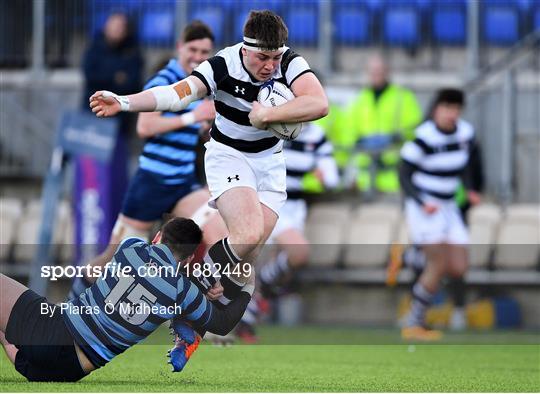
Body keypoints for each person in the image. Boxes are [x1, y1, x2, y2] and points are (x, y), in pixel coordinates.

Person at [89, 10, 328, 307]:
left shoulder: (291, 62)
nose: (269, 66)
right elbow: (175, 94)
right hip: (228, 157)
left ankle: (191, 323)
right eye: (262, 58)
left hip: (269, 162)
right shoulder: (222, 65)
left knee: (243, 269)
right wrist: (124, 102)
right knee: (244, 233)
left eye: (275, 57)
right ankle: (185, 285)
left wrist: (268, 114)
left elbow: (318, 103)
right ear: (245, 49)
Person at [70, 21, 221, 298]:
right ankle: (72, 305)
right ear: (179, 47)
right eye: (193, 49)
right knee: (112, 261)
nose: (199, 57)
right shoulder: (164, 81)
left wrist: (205, 130)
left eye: (205, 52)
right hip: (151, 183)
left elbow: (193, 130)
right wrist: (193, 117)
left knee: (215, 229)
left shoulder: (201, 87)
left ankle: (202, 312)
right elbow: (145, 127)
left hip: (182, 183)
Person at [0, 217, 254, 382]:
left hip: (54, 333)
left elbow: (95, 272)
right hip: (69, 370)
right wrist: (246, 290)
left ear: (158, 238)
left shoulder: (131, 247)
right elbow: (221, 323)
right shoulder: (183, 291)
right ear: (188, 260)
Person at [237, 121, 339, 342]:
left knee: (279, 268)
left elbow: (331, 176)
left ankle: (246, 319)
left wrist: (325, 177)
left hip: (295, 207)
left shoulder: (316, 135)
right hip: (268, 200)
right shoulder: (276, 123)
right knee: (298, 253)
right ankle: (252, 297)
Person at [398, 88, 481, 341]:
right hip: (425, 207)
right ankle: (414, 323)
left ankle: (413, 256)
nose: (452, 114)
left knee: (459, 266)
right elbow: (404, 174)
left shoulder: (465, 133)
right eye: (447, 108)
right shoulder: (424, 137)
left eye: (456, 109)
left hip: (448, 207)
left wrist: (470, 189)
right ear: (436, 109)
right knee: (439, 263)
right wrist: (421, 201)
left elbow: (467, 164)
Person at [344, 54, 422, 193]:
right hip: (365, 179)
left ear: (387, 71)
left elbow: (415, 128)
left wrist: (396, 138)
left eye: (379, 70)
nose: (376, 74)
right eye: (372, 71)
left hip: (393, 178)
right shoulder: (360, 99)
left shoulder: (403, 97)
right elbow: (348, 131)